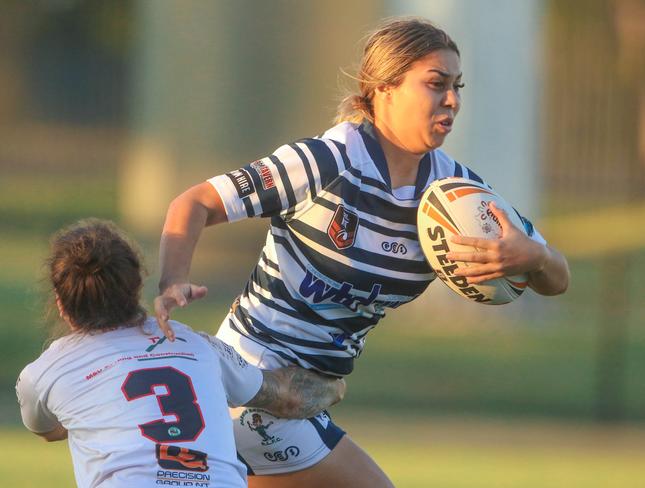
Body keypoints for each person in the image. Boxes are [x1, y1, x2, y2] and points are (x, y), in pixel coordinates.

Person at [155, 17, 570, 488]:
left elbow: (556, 278)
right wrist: (172, 282)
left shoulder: (457, 191)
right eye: (435, 84)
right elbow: (193, 203)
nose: (452, 100)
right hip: (251, 378)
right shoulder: (325, 162)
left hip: (310, 396)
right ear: (384, 88)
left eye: (457, 86)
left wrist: (534, 258)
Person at [16, 219, 345, 488]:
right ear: (137, 287)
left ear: (61, 304)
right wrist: (334, 388)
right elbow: (288, 396)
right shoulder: (198, 345)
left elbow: (49, 430)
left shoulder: (43, 374)